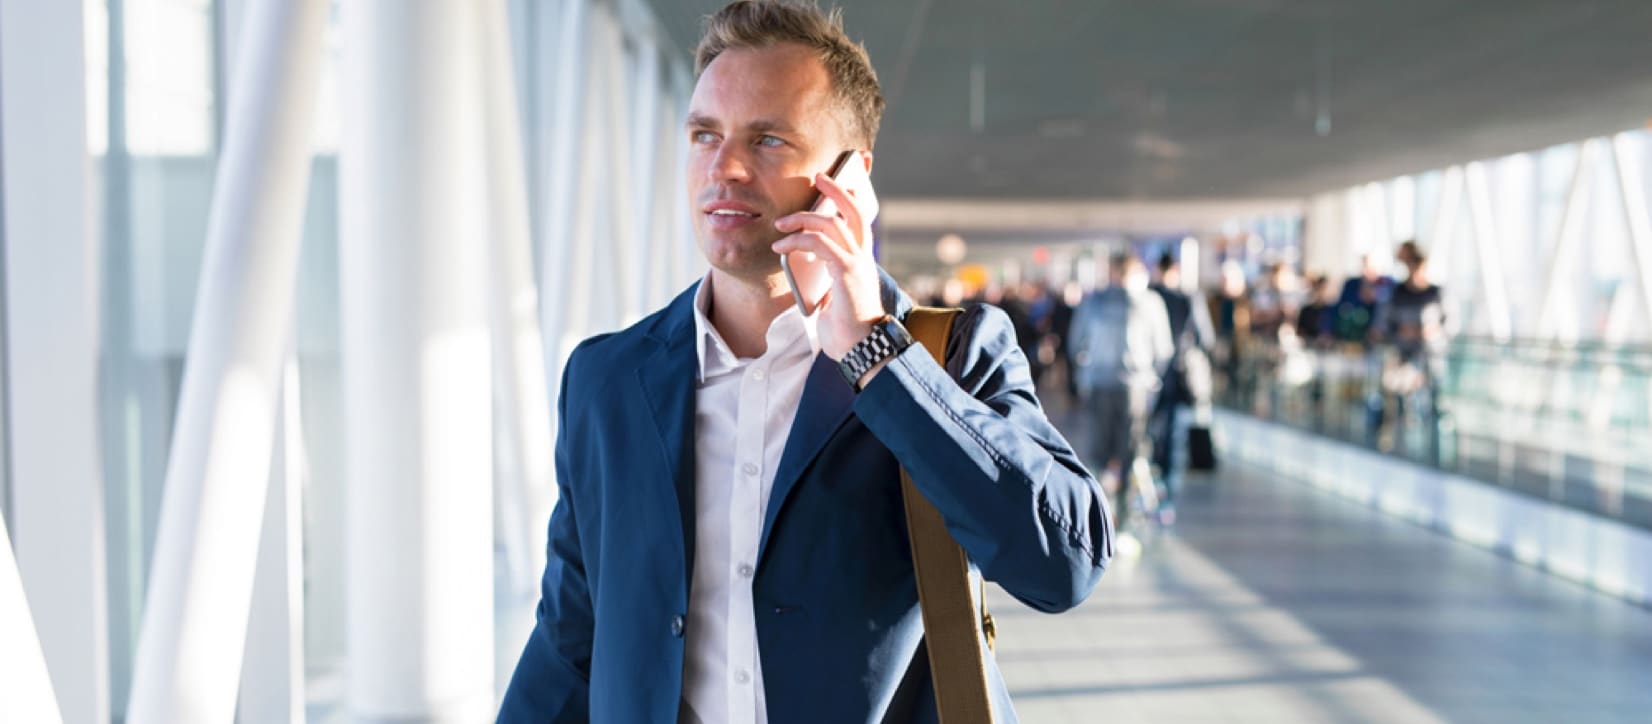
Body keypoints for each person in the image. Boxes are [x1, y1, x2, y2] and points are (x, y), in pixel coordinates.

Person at [497, 3, 1112, 722]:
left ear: (850, 177)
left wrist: (876, 355)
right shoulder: (608, 381)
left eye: (768, 140)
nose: (722, 167)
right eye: (704, 135)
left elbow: (1063, 564)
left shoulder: (949, 352)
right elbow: (572, 643)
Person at [1068, 253, 1173, 552]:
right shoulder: (1150, 303)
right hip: (1135, 386)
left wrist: (1083, 372)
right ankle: (1123, 524)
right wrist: (1152, 376)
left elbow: (1076, 342)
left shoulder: (1094, 303)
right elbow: (1163, 349)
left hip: (1100, 383)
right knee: (1129, 454)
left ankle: (1098, 522)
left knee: (1099, 454)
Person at [1147, 253, 1216, 524]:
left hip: (1150, 379)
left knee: (1149, 436)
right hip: (1177, 378)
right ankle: (1166, 497)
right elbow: (1204, 338)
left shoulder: (1149, 298)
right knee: (1173, 440)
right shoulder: (1188, 300)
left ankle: (1150, 492)